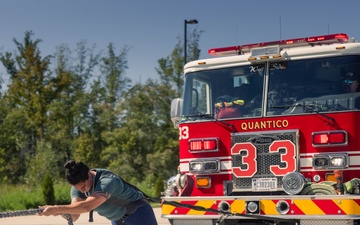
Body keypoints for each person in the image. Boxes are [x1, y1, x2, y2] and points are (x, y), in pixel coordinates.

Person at [38, 160, 158, 225]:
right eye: (79, 189)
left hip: (138, 213)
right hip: (118, 219)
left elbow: (86, 206)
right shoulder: (79, 187)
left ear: (89, 175)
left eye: (84, 187)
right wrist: (57, 212)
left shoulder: (107, 181)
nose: (83, 190)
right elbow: (74, 216)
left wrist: (57, 208)